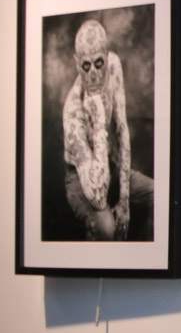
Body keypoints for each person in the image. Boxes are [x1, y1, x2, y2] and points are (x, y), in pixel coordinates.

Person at [61, 19, 152, 241]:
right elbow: (98, 197)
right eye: (86, 65)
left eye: (98, 63)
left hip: (110, 166)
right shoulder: (72, 110)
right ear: (77, 64)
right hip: (79, 179)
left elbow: (122, 129)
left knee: (157, 194)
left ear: (107, 56)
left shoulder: (114, 66)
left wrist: (124, 201)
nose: (93, 73)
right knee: (107, 227)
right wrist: (100, 117)